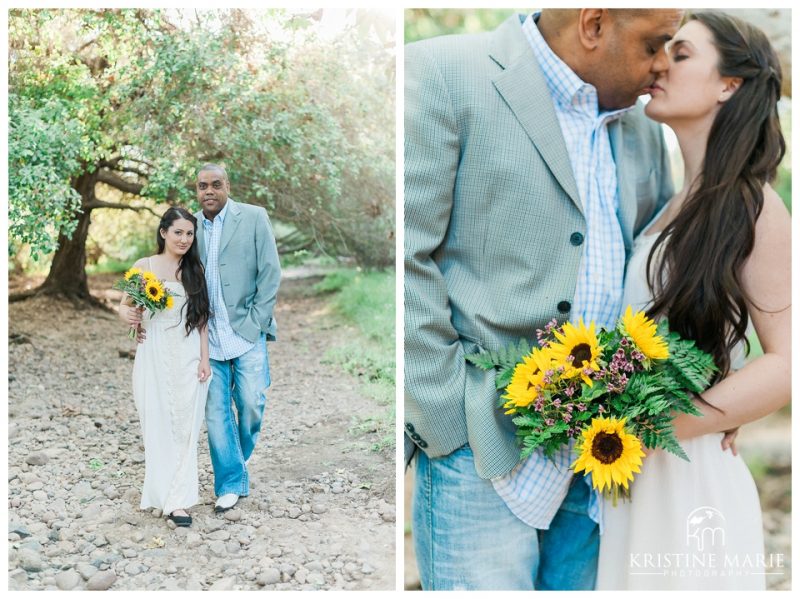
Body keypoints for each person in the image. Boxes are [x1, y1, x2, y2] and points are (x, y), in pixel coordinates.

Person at [405, 8, 683, 590]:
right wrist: (447, 420)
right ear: (593, 24)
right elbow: (406, 257)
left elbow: (658, 272)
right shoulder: (443, 73)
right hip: (480, 443)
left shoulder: (644, 128)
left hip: (601, 456)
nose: (662, 67)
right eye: (655, 45)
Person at [597, 11, 790, 590]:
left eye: (680, 55)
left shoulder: (753, 206)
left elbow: (788, 363)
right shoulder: (672, 201)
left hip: (689, 480)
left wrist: (668, 422)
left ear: (729, 84)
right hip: (629, 476)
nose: (659, 64)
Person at [193, 163, 281, 513]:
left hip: (246, 331)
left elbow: (270, 271)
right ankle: (229, 481)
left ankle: (236, 462)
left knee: (251, 403)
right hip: (207, 337)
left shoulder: (254, 217)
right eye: (203, 186)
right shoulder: (190, 226)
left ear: (227, 185)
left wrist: (257, 321)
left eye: (216, 184)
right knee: (215, 414)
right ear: (197, 190)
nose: (209, 191)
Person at [119, 206, 211, 528]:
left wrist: (204, 358)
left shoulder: (194, 269)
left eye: (189, 233)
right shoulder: (144, 267)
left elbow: (201, 320)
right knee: (158, 423)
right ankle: (162, 492)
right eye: (178, 232)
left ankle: (178, 500)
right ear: (163, 233)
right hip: (153, 355)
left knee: (185, 427)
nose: (184, 239)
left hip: (187, 356)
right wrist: (129, 318)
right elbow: (125, 306)